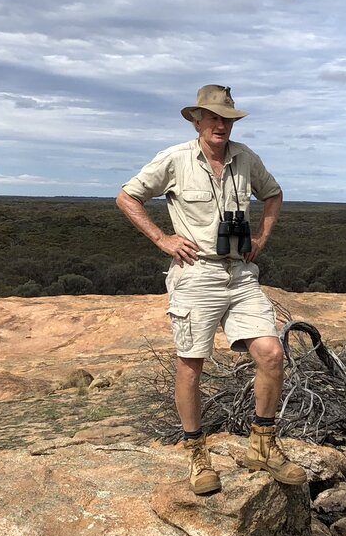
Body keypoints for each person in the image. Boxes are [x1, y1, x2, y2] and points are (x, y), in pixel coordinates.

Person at [117, 85, 307, 495]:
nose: (221, 125)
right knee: (192, 364)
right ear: (197, 121)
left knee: (272, 354)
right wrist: (162, 239)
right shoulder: (176, 158)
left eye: (227, 119)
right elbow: (127, 197)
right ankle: (196, 453)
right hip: (196, 272)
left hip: (240, 272)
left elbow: (272, 194)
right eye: (213, 118)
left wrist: (262, 237)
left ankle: (263, 443)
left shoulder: (245, 159)